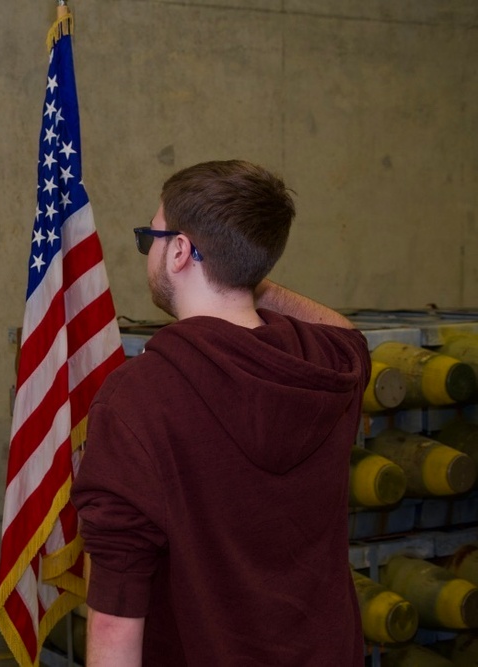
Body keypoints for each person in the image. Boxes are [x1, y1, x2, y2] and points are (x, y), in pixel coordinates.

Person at [71, 160, 369, 666]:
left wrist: (238, 267)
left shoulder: (136, 400)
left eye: (153, 238)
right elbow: (343, 329)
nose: (151, 253)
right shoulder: (333, 366)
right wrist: (245, 271)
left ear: (181, 250)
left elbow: (114, 617)